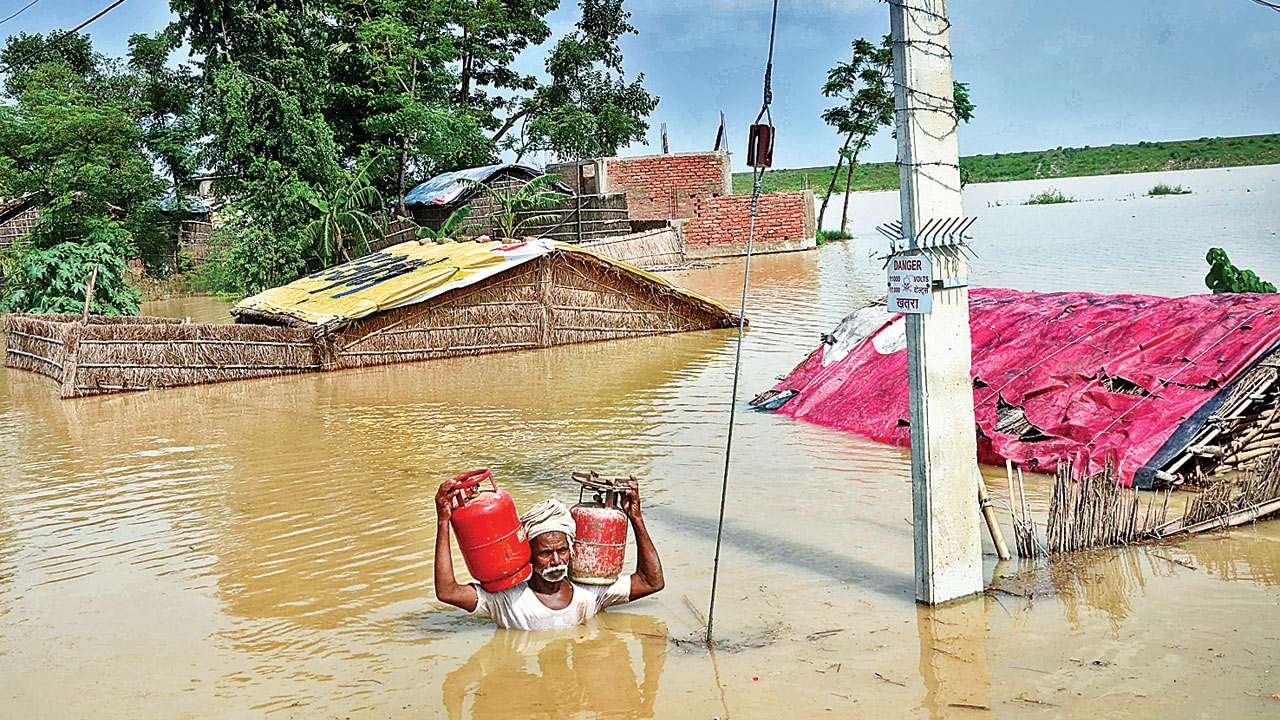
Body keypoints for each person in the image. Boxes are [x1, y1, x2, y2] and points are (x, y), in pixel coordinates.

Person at [433, 477, 664, 630]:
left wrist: (636, 518)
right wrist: (443, 521)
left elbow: (651, 582)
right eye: (545, 553)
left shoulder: (592, 593)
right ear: (528, 553)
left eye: (562, 550)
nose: (556, 561)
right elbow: (447, 592)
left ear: (572, 550)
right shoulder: (506, 600)